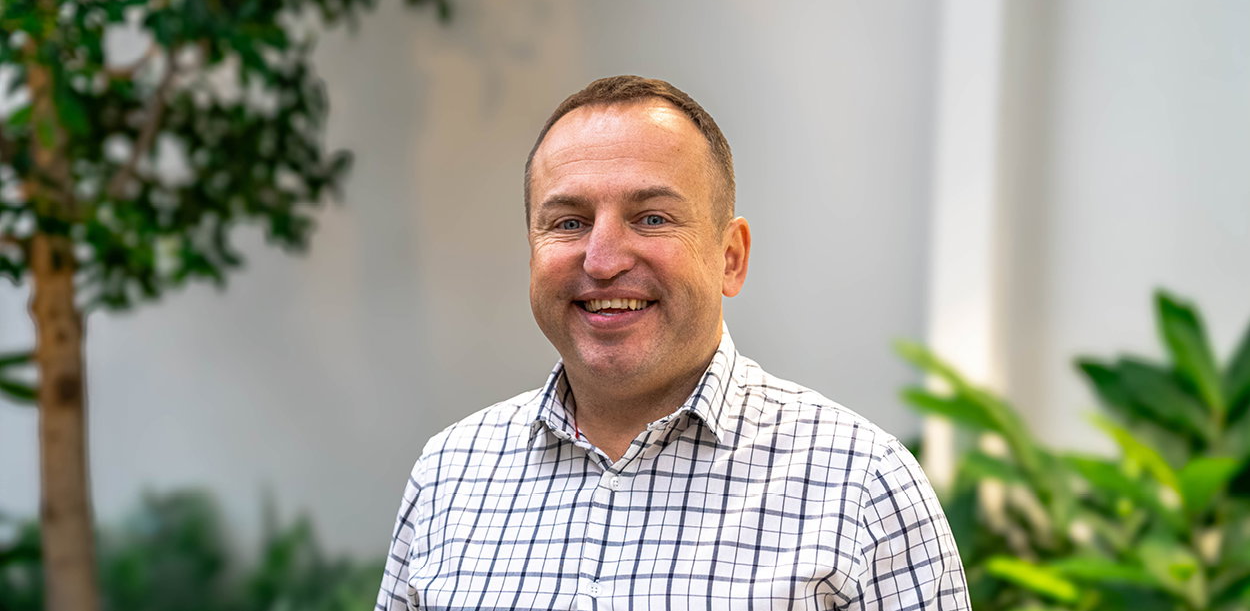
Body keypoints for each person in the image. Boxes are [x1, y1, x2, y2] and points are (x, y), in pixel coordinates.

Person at [377, 75, 970, 610]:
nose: (603, 261)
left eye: (652, 218)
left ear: (730, 258)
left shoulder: (861, 484)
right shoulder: (449, 473)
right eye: (568, 222)